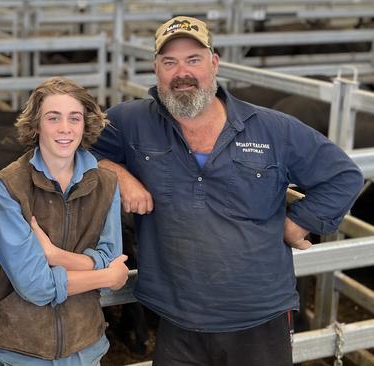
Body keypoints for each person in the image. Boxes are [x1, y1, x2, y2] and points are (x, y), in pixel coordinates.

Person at [91, 16, 364, 366]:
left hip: (258, 317)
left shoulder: (271, 128)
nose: (182, 73)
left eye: (194, 60)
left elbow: (343, 176)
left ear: (214, 64)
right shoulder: (131, 122)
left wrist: (299, 222)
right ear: (155, 69)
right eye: (170, 62)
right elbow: (84, 151)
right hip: (177, 320)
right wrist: (120, 175)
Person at [0, 77, 129, 365]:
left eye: (74, 118)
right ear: (36, 124)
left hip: (86, 349)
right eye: (53, 117)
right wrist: (105, 276)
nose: (65, 129)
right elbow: (36, 286)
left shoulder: (106, 182)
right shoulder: (9, 188)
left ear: (86, 124)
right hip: (22, 353)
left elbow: (112, 255)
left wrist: (54, 255)